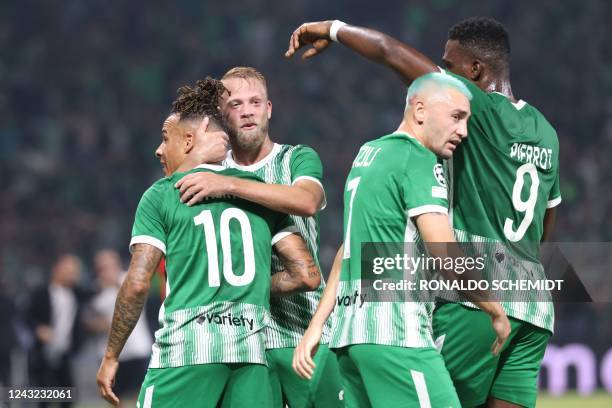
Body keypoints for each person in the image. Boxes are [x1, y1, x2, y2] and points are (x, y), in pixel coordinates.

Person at [286, 16, 561, 408]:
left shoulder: (472, 108)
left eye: (448, 65)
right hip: (534, 303)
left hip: (476, 297)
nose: (442, 70)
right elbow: (548, 222)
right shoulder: (546, 132)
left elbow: (389, 52)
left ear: (474, 71)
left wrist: (334, 29)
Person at [96, 77, 320, 407]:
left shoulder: (162, 194)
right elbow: (306, 274)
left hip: (187, 351)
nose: (158, 149)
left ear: (188, 140)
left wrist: (112, 355)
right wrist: (249, 288)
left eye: (164, 138)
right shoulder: (260, 195)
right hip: (250, 355)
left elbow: (138, 282)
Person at [293, 72, 510, 407]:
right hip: (397, 334)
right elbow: (445, 253)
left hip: (349, 340)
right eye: (456, 117)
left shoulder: (368, 154)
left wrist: (317, 326)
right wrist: (493, 307)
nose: (463, 131)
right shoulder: (418, 158)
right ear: (419, 110)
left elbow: (348, 251)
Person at [174, 66, 343, 408]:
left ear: (269, 109)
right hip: (245, 346)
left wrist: (230, 184)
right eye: (236, 104)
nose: (247, 110)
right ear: (222, 114)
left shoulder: (296, 158)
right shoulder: (210, 176)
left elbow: (307, 201)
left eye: (255, 101)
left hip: (307, 334)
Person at [86, 249, 152, 405]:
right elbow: (88, 318)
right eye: (101, 265)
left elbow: (137, 296)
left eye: (108, 264)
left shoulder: (129, 278)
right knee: (115, 396)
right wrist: (97, 325)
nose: (105, 268)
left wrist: (114, 282)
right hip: (108, 352)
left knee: (145, 394)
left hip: (137, 348)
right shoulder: (95, 289)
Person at [27, 253, 89, 407]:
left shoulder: (77, 294)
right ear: (56, 270)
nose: (72, 275)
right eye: (68, 270)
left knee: (68, 396)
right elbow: (26, 317)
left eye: (75, 271)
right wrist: (38, 329)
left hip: (65, 353)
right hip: (41, 353)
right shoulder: (40, 293)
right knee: (43, 397)